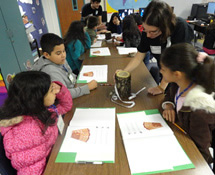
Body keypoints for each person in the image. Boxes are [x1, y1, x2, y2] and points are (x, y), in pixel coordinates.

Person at [0, 71, 73, 175]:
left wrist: (60, 89)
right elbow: (30, 171)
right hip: (52, 167)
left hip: (54, 154)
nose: (55, 93)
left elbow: (66, 106)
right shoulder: (26, 132)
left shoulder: (42, 110)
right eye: (51, 90)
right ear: (37, 98)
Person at [116, 0, 194, 95]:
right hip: (166, 74)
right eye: (145, 29)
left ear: (165, 26)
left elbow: (178, 63)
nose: (148, 35)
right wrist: (124, 72)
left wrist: (162, 87)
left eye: (153, 31)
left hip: (182, 77)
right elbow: (139, 56)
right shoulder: (148, 32)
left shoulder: (180, 27)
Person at [161, 43, 215, 166]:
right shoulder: (178, 83)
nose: (160, 71)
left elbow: (201, 149)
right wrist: (169, 105)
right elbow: (169, 96)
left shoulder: (199, 109)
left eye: (163, 69)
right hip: (181, 135)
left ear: (177, 74)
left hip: (196, 158)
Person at [33, 33, 97, 99]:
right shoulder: (50, 71)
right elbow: (63, 94)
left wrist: (81, 78)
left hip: (73, 88)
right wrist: (87, 88)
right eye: (58, 53)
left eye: (63, 51)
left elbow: (70, 74)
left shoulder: (60, 60)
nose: (63, 55)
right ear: (46, 55)